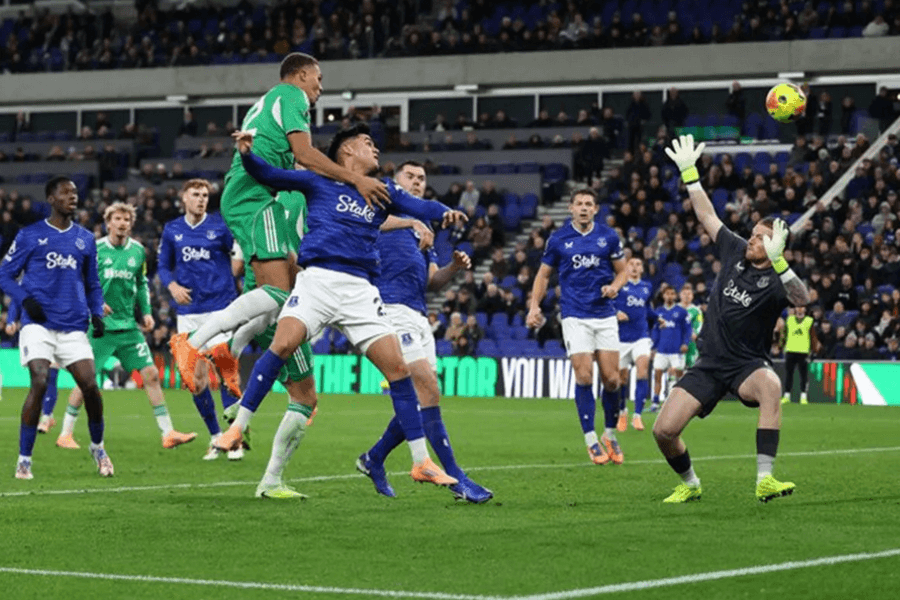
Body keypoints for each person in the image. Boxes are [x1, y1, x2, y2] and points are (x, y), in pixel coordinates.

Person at [216, 124, 467, 493]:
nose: (375, 149)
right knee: (282, 345)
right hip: (318, 280)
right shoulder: (319, 182)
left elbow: (419, 206)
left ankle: (420, 462)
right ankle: (237, 427)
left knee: (399, 371)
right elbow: (269, 174)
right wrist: (247, 154)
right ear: (347, 151)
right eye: (367, 143)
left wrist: (445, 211)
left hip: (361, 290)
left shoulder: (382, 191)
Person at [171, 52, 390, 392]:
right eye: (318, 78)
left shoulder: (269, 102)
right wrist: (354, 179)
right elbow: (304, 154)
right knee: (276, 292)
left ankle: (225, 349)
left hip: (253, 193)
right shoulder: (292, 96)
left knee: (278, 293)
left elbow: (295, 162)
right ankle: (194, 344)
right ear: (302, 75)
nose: (320, 88)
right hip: (254, 194)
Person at [657, 135, 811, 503]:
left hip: (746, 364)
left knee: (771, 386)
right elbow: (707, 215)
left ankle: (765, 479)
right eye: (755, 234)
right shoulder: (735, 249)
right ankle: (691, 483)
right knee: (663, 431)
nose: (753, 239)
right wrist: (690, 176)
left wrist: (780, 262)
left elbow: (803, 298)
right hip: (709, 362)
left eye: (762, 237)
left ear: (776, 246)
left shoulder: (778, 279)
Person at [358, 160, 493, 503]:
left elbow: (432, 281)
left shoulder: (423, 231)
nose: (417, 183)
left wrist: (454, 267)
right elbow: (367, 222)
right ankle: (456, 478)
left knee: (424, 397)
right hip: (389, 309)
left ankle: (374, 458)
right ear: (397, 181)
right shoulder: (381, 206)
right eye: (410, 177)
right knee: (427, 388)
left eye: (421, 179)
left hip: (418, 314)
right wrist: (412, 219)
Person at [55, 202, 197, 451]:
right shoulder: (94, 250)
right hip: (101, 329)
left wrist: (147, 312)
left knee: (151, 375)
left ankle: (168, 432)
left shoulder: (138, 251)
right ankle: (65, 433)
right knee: (86, 381)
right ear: (108, 222)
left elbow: (141, 283)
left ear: (131, 224)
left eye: (126, 220)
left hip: (128, 327)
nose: (122, 224)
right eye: (118, 219)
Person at [0, 176, 114, 479]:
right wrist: (25, 300)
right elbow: (5, 275)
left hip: (74, 326)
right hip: (38, 325)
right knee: (39, 380)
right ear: (51, 198)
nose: (72, 197)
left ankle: (98, 447)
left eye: (75, 193)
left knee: (90, 385)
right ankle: (25, 459)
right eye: (65, 193)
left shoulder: (86, 239)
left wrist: (96, 313)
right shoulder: (29, 235)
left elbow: (92, 283)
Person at [526, 188, 629, 465]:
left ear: (596, 209)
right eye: (579, 204)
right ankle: (590, 439)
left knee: (612, 379)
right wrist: (534, 306)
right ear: (570, 208)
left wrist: (615, 287)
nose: (584, 208)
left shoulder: (608, 236)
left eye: (589, 204)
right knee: (583, 376)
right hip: (574, 314)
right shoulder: (558, 239)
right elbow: (543, 275)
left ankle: (609, 434)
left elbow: (623, 270)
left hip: (605, 314)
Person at [158, 179, 242, 460]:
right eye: (196, 194)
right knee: (196, 380)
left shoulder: (220, 227)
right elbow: (163, 266)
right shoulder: (172, 229)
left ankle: (235, 440)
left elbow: (238, 255)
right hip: (189, 313)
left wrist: (227, 281)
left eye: (205, 195)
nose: (202, 199)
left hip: (219, 308)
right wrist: (172, 287)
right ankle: (216, 436)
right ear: (184, 197)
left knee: (227, 371)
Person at [6, 300, 61, 435]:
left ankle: (46, 417)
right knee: (38, 378)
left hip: (55, 328)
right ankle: (48, 414)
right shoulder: (28, 279)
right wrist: (11, 320)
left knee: (51, 374)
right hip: (32, 331)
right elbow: (16, 298)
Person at [614, 256, 654, 432]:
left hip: (641, 337)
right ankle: (623, 411)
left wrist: (657, 317)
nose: (635, 267)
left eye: (638, 264)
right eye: (631, 264)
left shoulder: (647, 287)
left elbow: (647, 309)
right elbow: (606, 304)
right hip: (621, 339)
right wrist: (616, 313)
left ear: (642, 269)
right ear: (626, 267)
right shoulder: (619, 285)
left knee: (643, 370)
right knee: (621, 379)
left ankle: (637, 415)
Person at [650, 285, 692, 411]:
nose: (670, 296)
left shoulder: (682, 312)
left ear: (675, 296)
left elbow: (688, 329)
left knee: (673, 375)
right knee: (657, 375)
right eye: (667, 294)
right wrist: (653, 347)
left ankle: (669, 402)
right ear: (663, 296)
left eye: (672, 294)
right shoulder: (658, 312)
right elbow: (655, 330)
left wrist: (685, 343)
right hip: (661, 350)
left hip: (676, 351)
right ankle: (655, 402)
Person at [665, 282, 703, 412]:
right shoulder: (674, 309)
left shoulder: (696, 310)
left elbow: (698, 326)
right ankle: (670, 401)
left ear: (692, 296)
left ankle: (690, 401)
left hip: (691, 346)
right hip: (675, 344)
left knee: (690, 371)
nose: (687, 296)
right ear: (680, 295)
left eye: (689, 294)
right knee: (674, 370)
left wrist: (694, 334)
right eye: (684, 294)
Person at [781, 305, 819, 405]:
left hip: (803, 351)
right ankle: (786, 395)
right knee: (789, 374)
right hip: (790, 350)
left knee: (804, 375)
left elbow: (813, 336)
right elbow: (784, 333)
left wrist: (814, 350)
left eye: (802, 307)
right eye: (798, 307)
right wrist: (781, 345)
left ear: (805, 309)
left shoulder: (809, 321)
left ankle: (803, 396)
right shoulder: (789, 320)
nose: (800, 309)